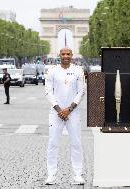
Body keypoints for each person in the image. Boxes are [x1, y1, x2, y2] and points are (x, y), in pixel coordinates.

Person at [45, 47, 85, 185]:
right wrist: (59, 110)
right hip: (56, 113)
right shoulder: (52, 71)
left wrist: (69, 109)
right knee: (53, 144)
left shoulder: (78, 70)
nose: (66, 56)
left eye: (68, 54)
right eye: (63, 54)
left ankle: (78, 175)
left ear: (72, 55)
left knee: (76, 143)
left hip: (73, 113)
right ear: (59, 55)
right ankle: (51, 175)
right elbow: (48, 92)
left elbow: (81, 92)